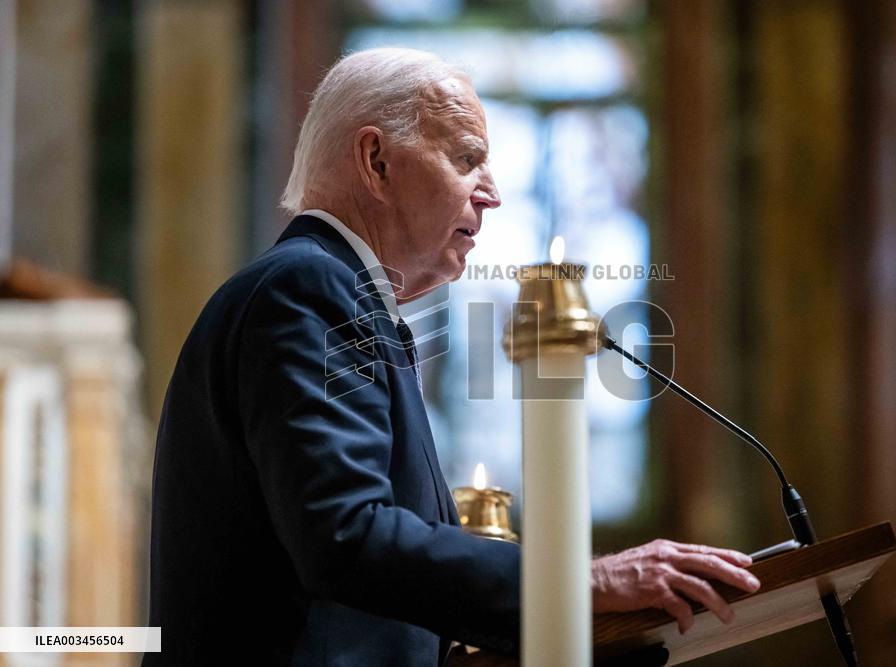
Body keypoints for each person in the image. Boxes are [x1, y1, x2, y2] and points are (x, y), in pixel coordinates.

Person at [143, 47, 761, 666]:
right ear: (376, 161)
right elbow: (344, 533)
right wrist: (579, 584)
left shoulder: (334, 293)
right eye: (467, 159)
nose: (491, 194)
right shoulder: (308, 287)